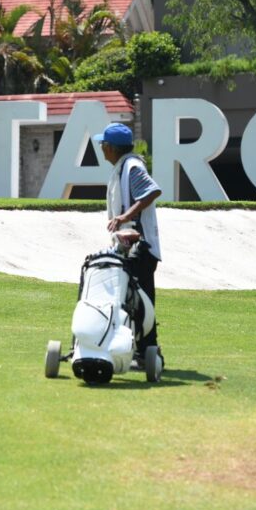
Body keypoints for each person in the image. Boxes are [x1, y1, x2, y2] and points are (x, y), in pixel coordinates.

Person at [93, 122, 163, 362]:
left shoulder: (132, 167)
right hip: (129, 246)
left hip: (140, 247)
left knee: (139, 300)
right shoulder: (124, 166)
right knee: (131, 299)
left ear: (111, 148)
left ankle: (149, 351)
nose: (101, 148)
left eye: (103, 144)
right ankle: (140, 351)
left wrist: (125, 216)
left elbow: (152, 191)